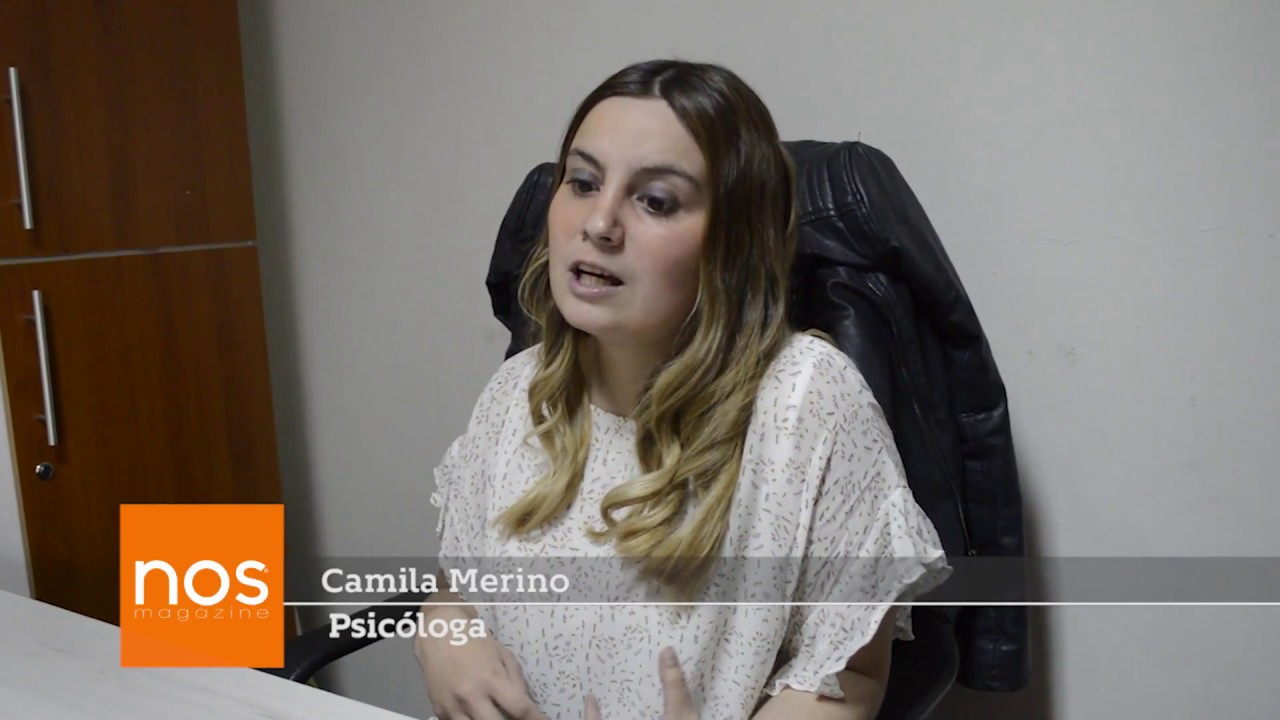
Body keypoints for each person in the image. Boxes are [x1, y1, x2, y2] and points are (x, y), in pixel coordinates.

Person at [415, 59, 952, 720]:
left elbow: (848, 676)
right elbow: (457, 589)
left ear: (732, 241)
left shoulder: (808, 403)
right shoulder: (519, 391)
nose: (600, 223)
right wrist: (445, 636)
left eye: (656, 201)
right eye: (582, 182)